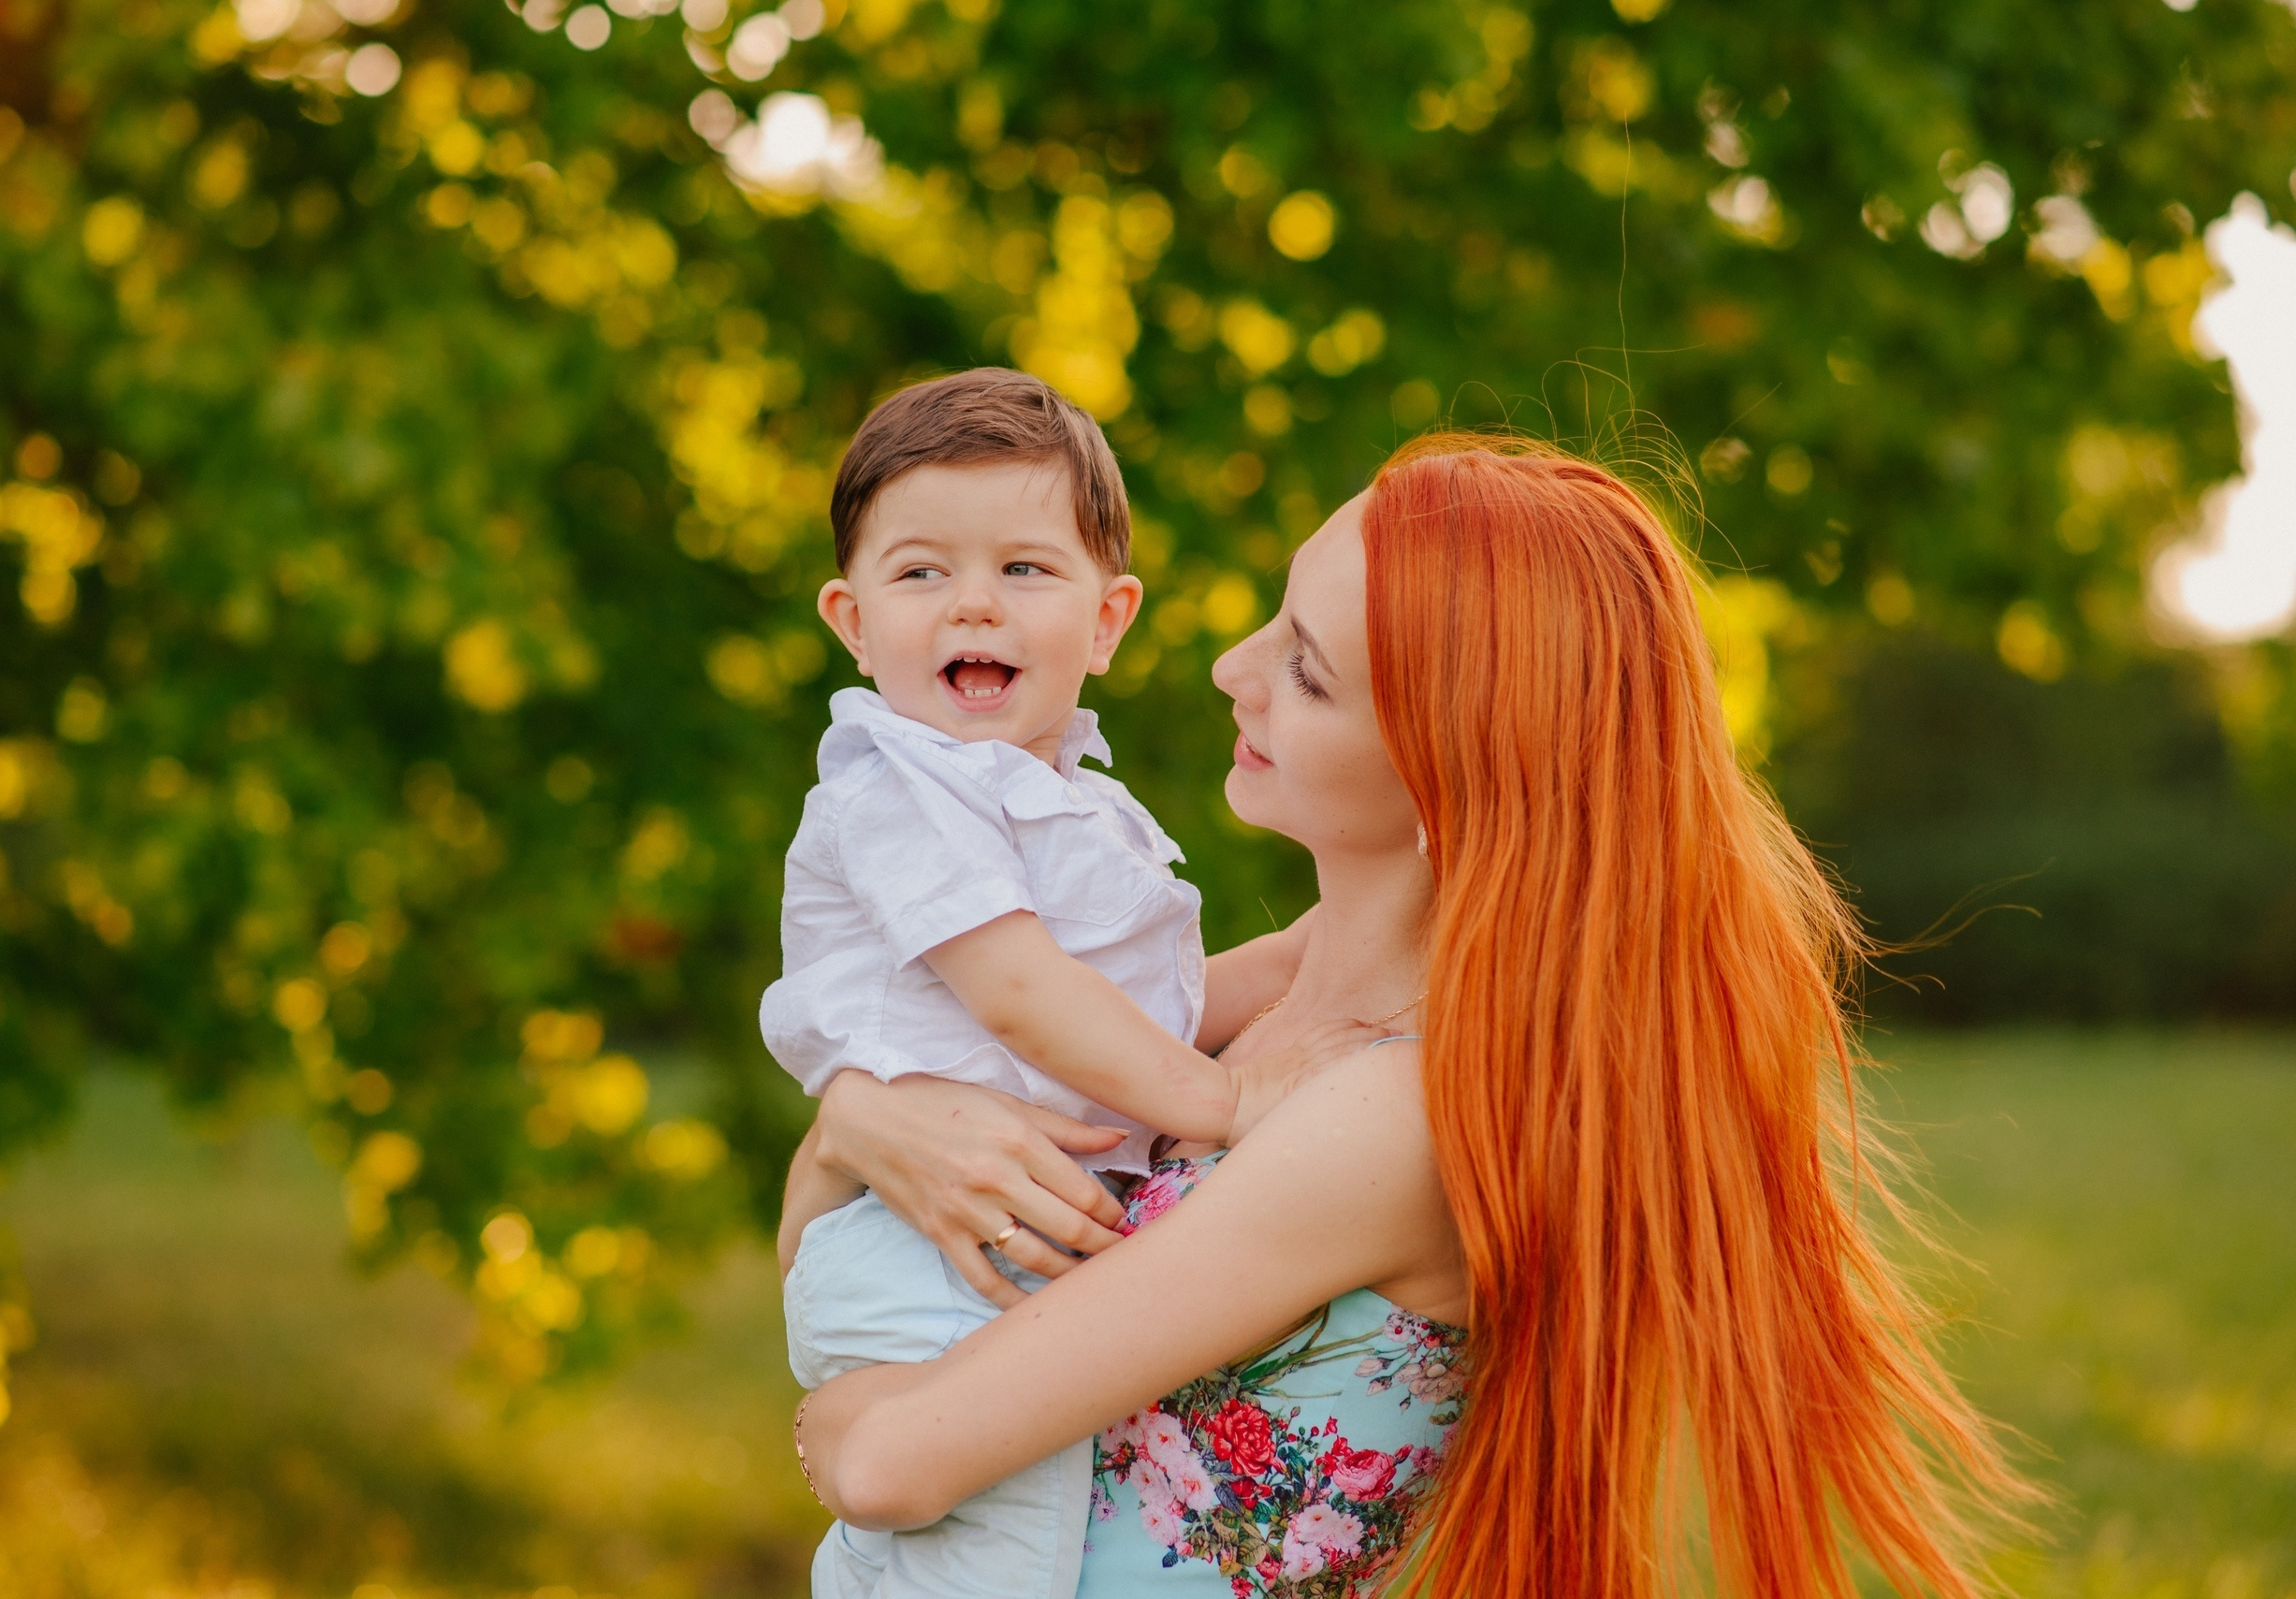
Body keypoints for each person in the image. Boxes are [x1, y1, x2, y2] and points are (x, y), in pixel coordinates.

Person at [787, 435, 2033, 1598]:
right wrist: (853, 1118)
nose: (1235, 667)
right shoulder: (1274, 990)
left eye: (1307, 673)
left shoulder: (1391, 1114)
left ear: (1453, 775)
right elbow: (839, 1241)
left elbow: (893, 1462)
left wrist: (824, 1416)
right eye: (1278, 617)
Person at [766, 369, 1360, 1599]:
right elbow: (1024, 995)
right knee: (995, 1561)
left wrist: (1310, 950)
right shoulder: (902, 788)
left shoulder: (1065, 797)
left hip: (971, 1222)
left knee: (942, 1554)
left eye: (1024, 571)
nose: (970, 604)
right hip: (931, 1249)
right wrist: (1222, 1105)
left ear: (1107, 620)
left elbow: (1139, 1011)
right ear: (851, 619)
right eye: (921, 573)